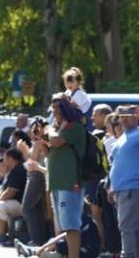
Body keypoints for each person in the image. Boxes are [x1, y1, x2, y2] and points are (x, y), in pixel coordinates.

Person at [108, 104, 139, 258]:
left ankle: (128, 255)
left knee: (126, 226)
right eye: (121, 116)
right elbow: (116, 164)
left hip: (135, 187)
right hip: (121, 189)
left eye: (129, 115)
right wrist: (111, 186)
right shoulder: (121, 138)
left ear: (136, 117)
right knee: (132, 227)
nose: (125, 119)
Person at [45, 93, 86, 258]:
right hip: (58, 183)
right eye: (53, 107)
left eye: (58, 107)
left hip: (71, 183)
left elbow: (56, 141)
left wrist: (48, 129)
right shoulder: (58, 128)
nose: (55, 111)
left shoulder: (74, 127)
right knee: (63, 225)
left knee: (71, 226)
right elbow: (53, 152)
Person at [15, 211, 102, 258]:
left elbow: (68, 235)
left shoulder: (78, 217)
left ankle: (32, 251)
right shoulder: (79, 215)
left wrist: (45, 246)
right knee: (57, 244)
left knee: (60, 246)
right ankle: (31, 251)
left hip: (88, 252)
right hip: (84, 247)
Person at [20, 117, 50, 245]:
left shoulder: (40, 143)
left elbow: (31, 162)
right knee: (37, 209)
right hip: (37, 176)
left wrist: (24, 150)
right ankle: (40, 239)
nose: (32, 131)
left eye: (35, 128)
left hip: (37, 177)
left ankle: (36, 240)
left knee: (27, 208)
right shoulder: (38, 143)